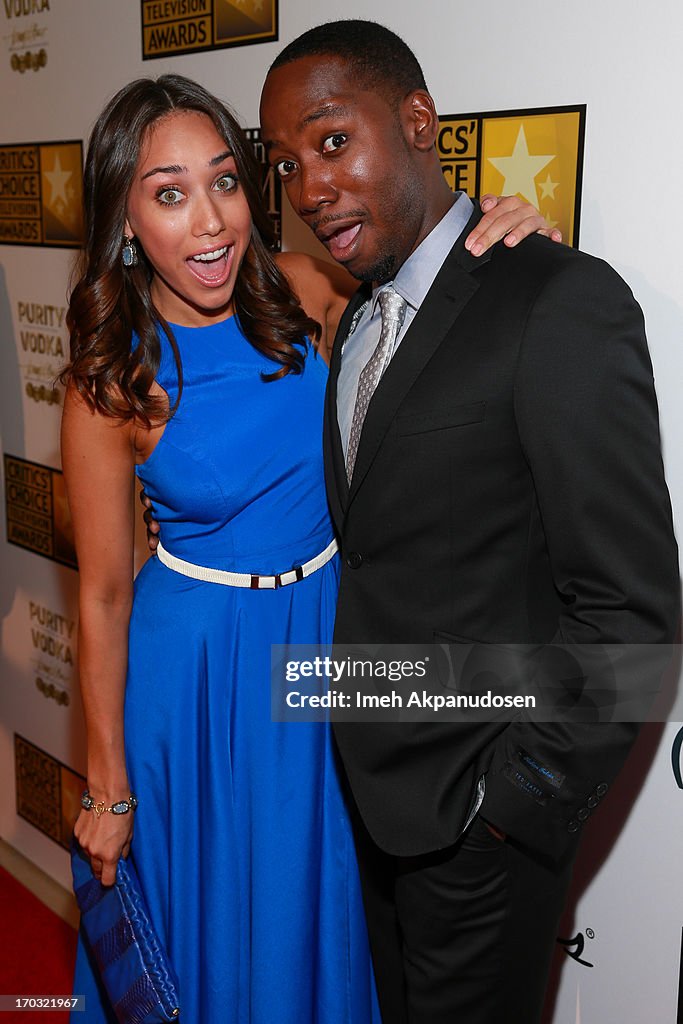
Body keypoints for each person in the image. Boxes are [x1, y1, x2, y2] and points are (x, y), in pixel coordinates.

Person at [63, 73, 547, 1023]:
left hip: (327, 638)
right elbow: (105, 597)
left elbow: (444, 285)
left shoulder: (305, 290)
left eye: (225, 183)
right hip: (198, 675)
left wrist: (510, 230)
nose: (209, 222)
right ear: (125, 221)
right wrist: (108, 783)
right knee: (217, 927)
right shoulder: (108, 378)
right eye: (168, 195)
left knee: (317, 902)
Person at [256, 19, 681, 1024]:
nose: (308, 188)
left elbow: (629, 610)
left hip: (477, 832)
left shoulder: (556, 301)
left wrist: (509, 807)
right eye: (284, 164)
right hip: (369, 805)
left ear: (415, 122)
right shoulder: (357, 316)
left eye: (329, 142)